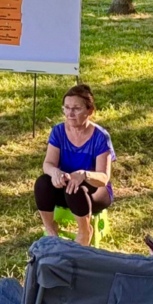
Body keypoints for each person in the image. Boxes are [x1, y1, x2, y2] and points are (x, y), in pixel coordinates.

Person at [34, 84, 115, 246]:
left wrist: (84, 174)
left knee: (75, 188)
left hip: (94, 191)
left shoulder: (100, 136)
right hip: (65, 187)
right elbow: (48, 164)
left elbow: (103, 178)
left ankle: (85, 233)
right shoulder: (58, 131)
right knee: (42, 182)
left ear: (90, 111)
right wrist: (55, 172)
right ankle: (50, 229)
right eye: (66, 108)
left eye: (76, 109)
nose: (70, 114)